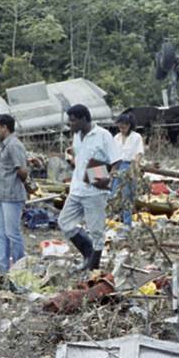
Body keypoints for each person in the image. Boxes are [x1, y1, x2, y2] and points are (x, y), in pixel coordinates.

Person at [59, 104, 119, 271]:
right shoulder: (77, 136)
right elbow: (80, 158)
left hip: (95, 191)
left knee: (96, 230)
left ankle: (94, 266)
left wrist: (109, 179)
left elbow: (116, 161)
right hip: (77, 188)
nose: (70, 124)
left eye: (73, 121)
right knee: (64, 222)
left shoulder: (103, 136)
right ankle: (87, 251)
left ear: (84, 119)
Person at [0, 114, 30, 273]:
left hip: (12, 195)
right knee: (0, 233)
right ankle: (2, 269)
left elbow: (22, 170)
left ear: (4, 128)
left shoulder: (14, 145)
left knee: (12, 234)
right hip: (1, 194)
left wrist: (22, 183)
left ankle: (19, 269)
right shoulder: (5, 144)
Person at [112, 113, 144, 226]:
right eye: (120, 127)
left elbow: (138, 154)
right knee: (114, 194)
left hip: (129, 166)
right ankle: (115, 219)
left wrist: (134, 169)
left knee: (127, 195)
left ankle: (127, 222)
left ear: (129, 125)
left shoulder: (136, 137)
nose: (122, 130)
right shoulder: (116, 138)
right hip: (118, 165)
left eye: (124, 127)